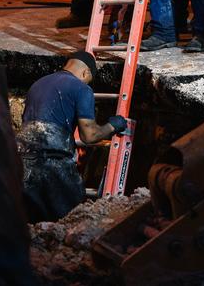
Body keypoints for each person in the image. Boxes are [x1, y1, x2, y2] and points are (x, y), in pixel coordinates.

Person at [17, 51, 127, 222]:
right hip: (52, 161)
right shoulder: (82, 88)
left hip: (21, 161)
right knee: (72, 217)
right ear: (85, 73)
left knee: (30, 222)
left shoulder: (37, 84)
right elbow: (89, 136)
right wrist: (113, 126)